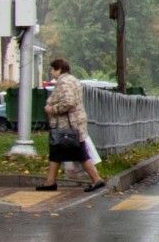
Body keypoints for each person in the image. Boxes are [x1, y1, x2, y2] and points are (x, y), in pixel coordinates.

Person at [36, 58, 107, 193]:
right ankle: (50, 182)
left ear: (59, 69)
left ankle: (96, 179)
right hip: (70, 124)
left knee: (79, 153)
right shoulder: (72, 80)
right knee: (56, 153)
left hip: (68, 126)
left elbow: (68, 102)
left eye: (53, 69)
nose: (51, 73)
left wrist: (52, 109)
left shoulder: (64, 82)